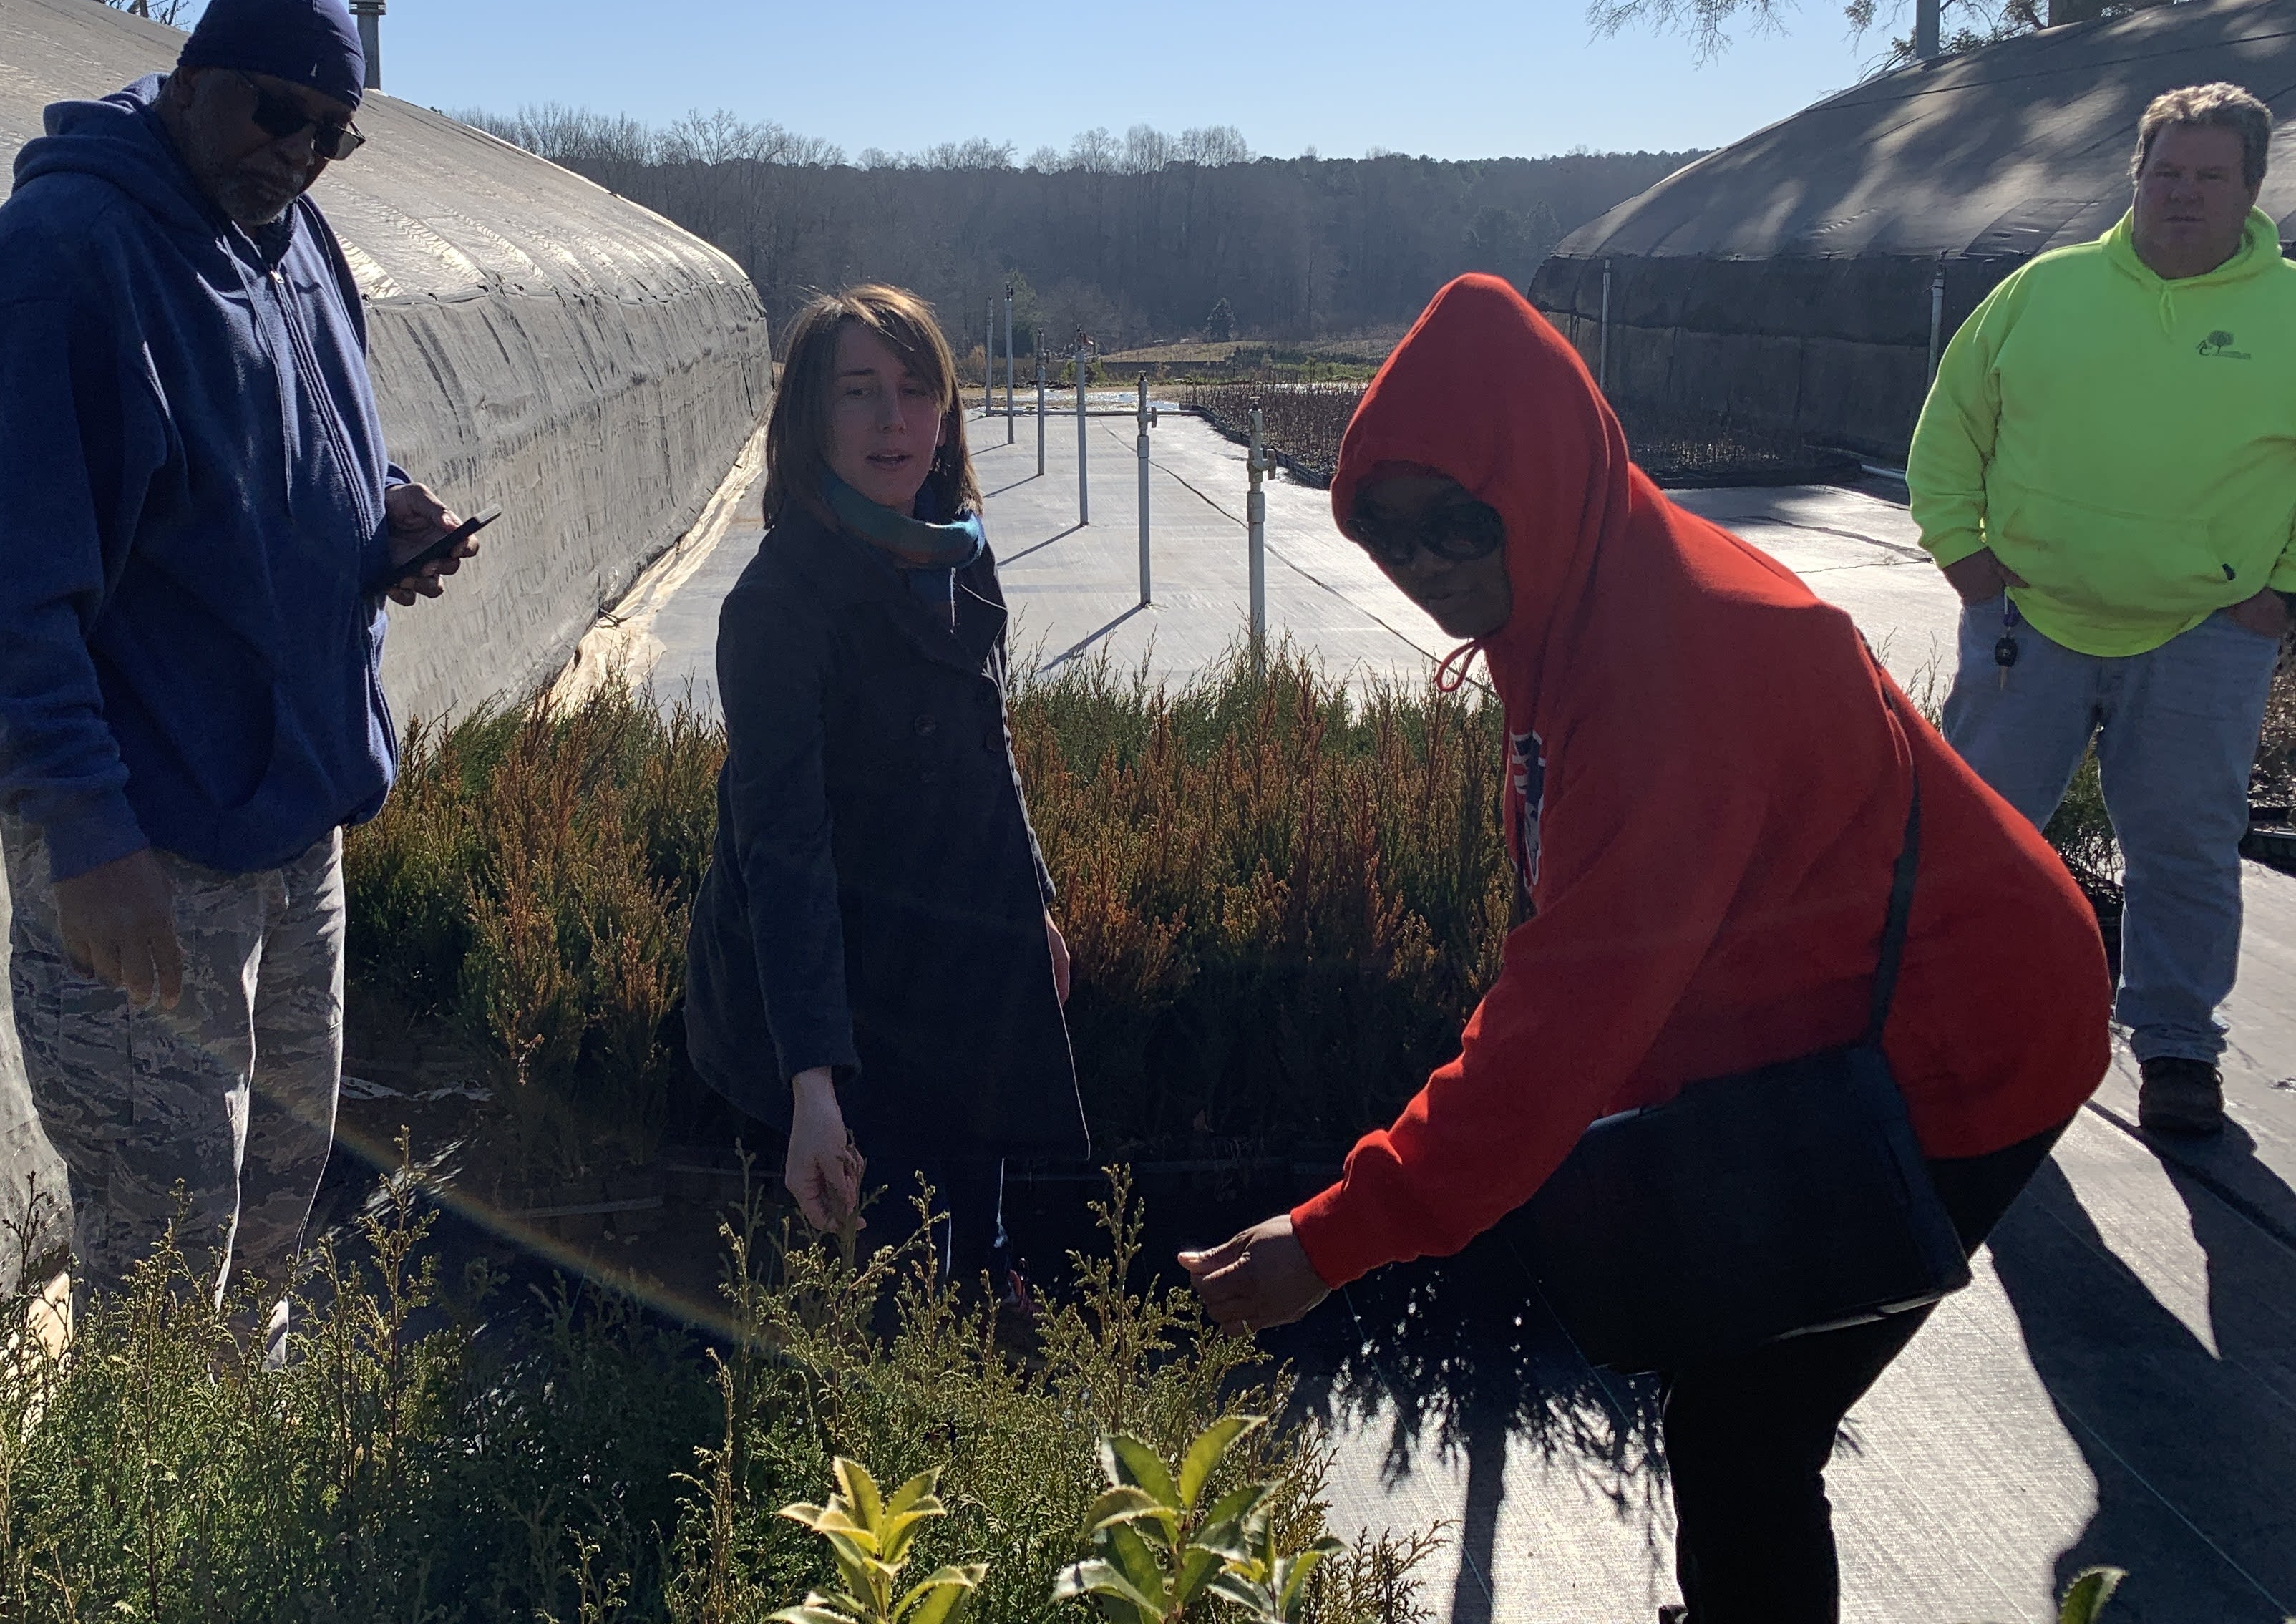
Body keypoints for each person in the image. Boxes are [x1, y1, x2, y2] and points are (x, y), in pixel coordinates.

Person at [1179, 276, 2110, 1624]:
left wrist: (1335, 1238)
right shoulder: (1568, 594)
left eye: (1459, 519)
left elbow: (1565, 1021)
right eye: (1385, 527)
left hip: (1966, 1039)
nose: (1427, 562)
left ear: (1545, 481)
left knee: (1748, 1424)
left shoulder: (1685, 658)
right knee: (1727, 1371)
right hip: (1834, 999)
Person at [0, 0, 480, 1317]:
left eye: (327, 136)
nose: (294, 153)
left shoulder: (290, 235)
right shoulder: (61, 262)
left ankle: (255, 1504)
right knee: (165, 1250)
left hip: (293, 827)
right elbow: (10, 599)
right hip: (151, 849)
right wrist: (87, 840)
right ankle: (152, 1525)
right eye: (271, 111)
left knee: (279, 1206)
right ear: (188, 79)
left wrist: (382, 515)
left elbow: (291, 443)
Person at [1908, 81, 2296, 1139]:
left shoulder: (2290, 313)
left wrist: (2281, 592)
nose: (2184, 194)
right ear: (2136, 174)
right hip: (2028, 624)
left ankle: (2177, 1048)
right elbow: (1951, 430)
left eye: (2210, 177)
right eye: (2166, 172)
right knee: (1979, 833)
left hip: (2206, 634)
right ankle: (1952, 1027)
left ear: (2253, 188)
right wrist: (1967, 560)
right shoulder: (2045, 290)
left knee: (2185, 843)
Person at [684, 285, 1085, 1283]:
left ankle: (987, 1288)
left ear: (947, 415)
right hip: (846, 987)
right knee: (884, 1272)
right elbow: (782, 853)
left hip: (954, 945)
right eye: (858, 391)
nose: (891, 420)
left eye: (915, 390)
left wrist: (1029, 899)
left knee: (977, 1201)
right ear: (812, 417)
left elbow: (986, 734)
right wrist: (813, 1081)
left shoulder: (952, 547)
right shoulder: (780, 607)